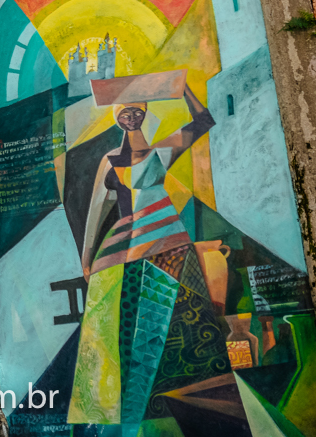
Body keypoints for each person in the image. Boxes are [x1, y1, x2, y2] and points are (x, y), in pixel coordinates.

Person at [70, 79, 217, 424]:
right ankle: (118, 410)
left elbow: (203, 121)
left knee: (178, 317)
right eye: (125, 112)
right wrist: (87, 257)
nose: (131, 117)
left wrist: (181, 88)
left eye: (137, 112)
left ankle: (180, 404)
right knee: (118, 326)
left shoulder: (160, 152)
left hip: (166, 241)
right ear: (118, 118)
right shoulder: (110, 161)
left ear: (144, 115)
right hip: (123, 247)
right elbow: (96, 210)